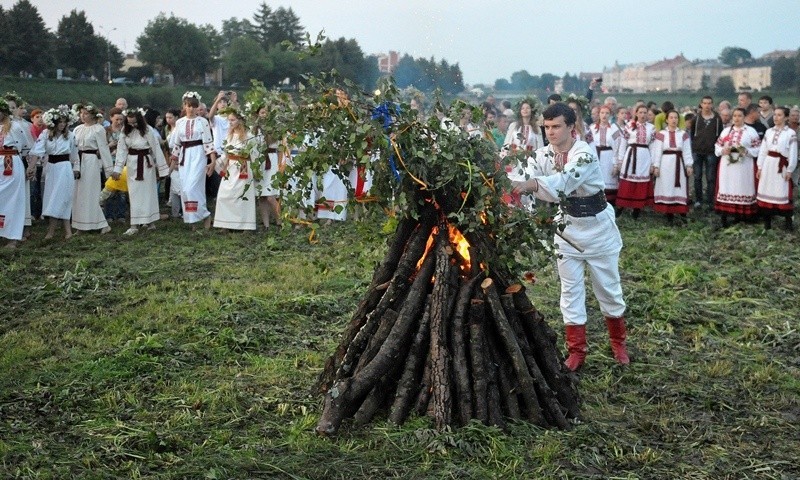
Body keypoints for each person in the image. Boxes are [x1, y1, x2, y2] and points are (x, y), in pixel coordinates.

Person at [511, 102, 629, 371]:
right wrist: (506, 180)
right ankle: (577, 350)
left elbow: (563, 182)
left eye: (556, 126)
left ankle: (618, 344)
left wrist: (531, 185)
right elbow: (523, 172)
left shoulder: (584, 154)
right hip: (566, 228)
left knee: (608, 290)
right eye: (547, 127)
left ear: (571, 127)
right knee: (570, 291)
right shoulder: (543, 154)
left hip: (598, 229)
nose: (550, 132)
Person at [111, 109, 169, 235]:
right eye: (130, 123)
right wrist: (118, 169)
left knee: (148, 193)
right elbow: (121, 150)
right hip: (132, 164)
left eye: (135, 123)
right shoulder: (125, 131)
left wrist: (162, 169)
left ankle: (150, 222)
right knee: (134, 194)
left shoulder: (147, 130)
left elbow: (156, 148)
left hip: (146, 164)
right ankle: (134, 225)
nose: (132, 125)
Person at [27, 105, 78, 240]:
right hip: (51, 167)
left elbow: (75, 155)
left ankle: (54, 231)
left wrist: (76, 169)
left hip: (64, 168)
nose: (62, 124)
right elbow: (37, 151)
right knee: (51, 197)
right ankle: (65, 231)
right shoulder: (45, 135)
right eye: (59, 122)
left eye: (64, 122)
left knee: (61, 197)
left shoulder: (71, 136)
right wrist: (31, 167)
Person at [169, 92, 216, 230]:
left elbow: (208, 143)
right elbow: (177, 144)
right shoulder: (180, 122)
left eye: (194, 106)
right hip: (185, 156)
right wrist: (172, 164)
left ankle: (205, 214)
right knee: (185, 189)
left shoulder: (203, 122)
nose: (191, 109)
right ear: (184, 106)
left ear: (198, 107)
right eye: (188, 106)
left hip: (198, 155)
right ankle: (193, 220)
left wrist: (212, 161)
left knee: (193, 188)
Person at [714, 107, 761, 227]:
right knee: (727, 186)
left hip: (744, 166)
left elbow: (758, 148)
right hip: (727, 166)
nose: (736, 118)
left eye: (739, 116)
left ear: (744, 117)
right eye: (734, 116)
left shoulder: (750, 131)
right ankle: (725, 217)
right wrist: (722, 150)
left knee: (742, 186)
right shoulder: (726, 131)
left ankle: (743, 216)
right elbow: (717, 146)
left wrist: (746, 151)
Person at [72, 103, 114, 234]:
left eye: (86, 113)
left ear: (92, 115)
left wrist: (109, 170)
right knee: (78, 193)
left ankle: (102, 224)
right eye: (81, 113)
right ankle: (81, 225)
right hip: (78, 160)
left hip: (91, 162)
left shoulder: (98, 129)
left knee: (90, 193)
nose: (83, 116)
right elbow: (73, 147)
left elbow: (103, 148)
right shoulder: (77, 129)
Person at [213, 108, 257, 231]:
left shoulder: (249, 136)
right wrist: (215, 164)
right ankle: (226, 224)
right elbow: (225, 154)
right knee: (224, 195)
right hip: (230, 168)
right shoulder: (229, 135)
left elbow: (255, 154)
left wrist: (256, 169)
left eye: (232, 120)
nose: (230, 122)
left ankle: (246, 226)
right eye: (229, 120)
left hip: (243, 168)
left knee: (243, 196)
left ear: (240, 120)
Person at [0, 97, 35, 248]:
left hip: (11, 164)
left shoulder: (15, 127)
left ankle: (13, 237)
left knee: (13, 200)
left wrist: (31, 166)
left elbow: (29, 148)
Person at [756, 107, 796, 230]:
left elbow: (793, 153)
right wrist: (760, 167)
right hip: (768, 164)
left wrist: (790, 169)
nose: (776, 117)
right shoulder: (769, 132)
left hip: (781, 164)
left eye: (779, 115)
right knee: (767, 190)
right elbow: (763, 150)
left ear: (786, 117)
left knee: (781, 191)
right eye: (775, 115)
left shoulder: (790, 133)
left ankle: (788, 222)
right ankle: (767, 223)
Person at [652, 110, 694, 224]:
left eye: (676, 118)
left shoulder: (683, 134)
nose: (674, 120)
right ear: (666, 120)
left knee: (679, 188)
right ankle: (668, 215)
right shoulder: (661, 134)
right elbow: (657, 151)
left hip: (678, 164)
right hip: (665, 164)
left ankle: (682, 214)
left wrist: (688, 165)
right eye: (671, 117)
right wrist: (656, 166)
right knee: (667, 187)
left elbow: (687, 151)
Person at [615, 104, 655, 218]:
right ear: (636, 113)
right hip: (631, 155)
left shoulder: (651, 128)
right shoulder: (629, 126)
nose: (642, 115)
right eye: (640, 112)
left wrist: (653, 163)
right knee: (628, 181)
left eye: (645, 112)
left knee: (641, 181)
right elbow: (623, 144)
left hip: (644, 156)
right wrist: (620, 160)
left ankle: (637, 208)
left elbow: (653, 146)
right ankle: (621, 207)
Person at [688, 96, 723, 209]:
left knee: (710, 177)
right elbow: (692, 134)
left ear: (712, 105)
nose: (707, 105)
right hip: (697, 151)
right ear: (701, 104)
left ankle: (710, 200)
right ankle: (698, 200)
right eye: (705, 103)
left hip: (711, 152)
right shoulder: (696, 119)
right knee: (697, 176)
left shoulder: (717, 119)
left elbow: (720, 135)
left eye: (709, 103)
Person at [589, 104, 621, 205]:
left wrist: (616, 164)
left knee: (608, 178)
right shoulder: (592, 128)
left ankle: (609, 203)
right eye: (602, 113)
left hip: (608, 156)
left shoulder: (614, 129)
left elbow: (617, 146)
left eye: (607, 113)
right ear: (598, 114)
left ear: (610, 115)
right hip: (595, 155)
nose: (604, 115)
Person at [28, 108, 46, 220]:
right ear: (32, 119)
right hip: (33, 161)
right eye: (37, 117)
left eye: (42, 117)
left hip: (44, 162)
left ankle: (42, 211)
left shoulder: (46, 131)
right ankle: (34, 212)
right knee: (34, 188)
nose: (40, 119)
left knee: (43, 187)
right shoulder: (29, 130)